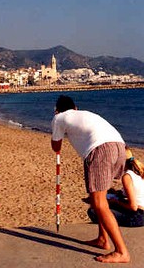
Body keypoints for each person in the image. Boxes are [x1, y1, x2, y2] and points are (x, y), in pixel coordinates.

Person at [51, 95, 130, 263]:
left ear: (57, 110)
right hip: (119, 146)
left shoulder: (58, 118)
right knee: (97, 199)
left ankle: (122, 251)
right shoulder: (84, 114)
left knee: (99, 202)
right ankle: (102, 238)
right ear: (75, 107)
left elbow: (56, 146)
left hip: (99, 149)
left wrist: (62, 130)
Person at [88, 147, 144, 227]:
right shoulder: (139, 172)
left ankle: (104, 236)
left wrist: (116, 202)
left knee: (94, 211)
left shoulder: (127, 176)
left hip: (136, 217)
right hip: (141, 212)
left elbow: (133, 207)